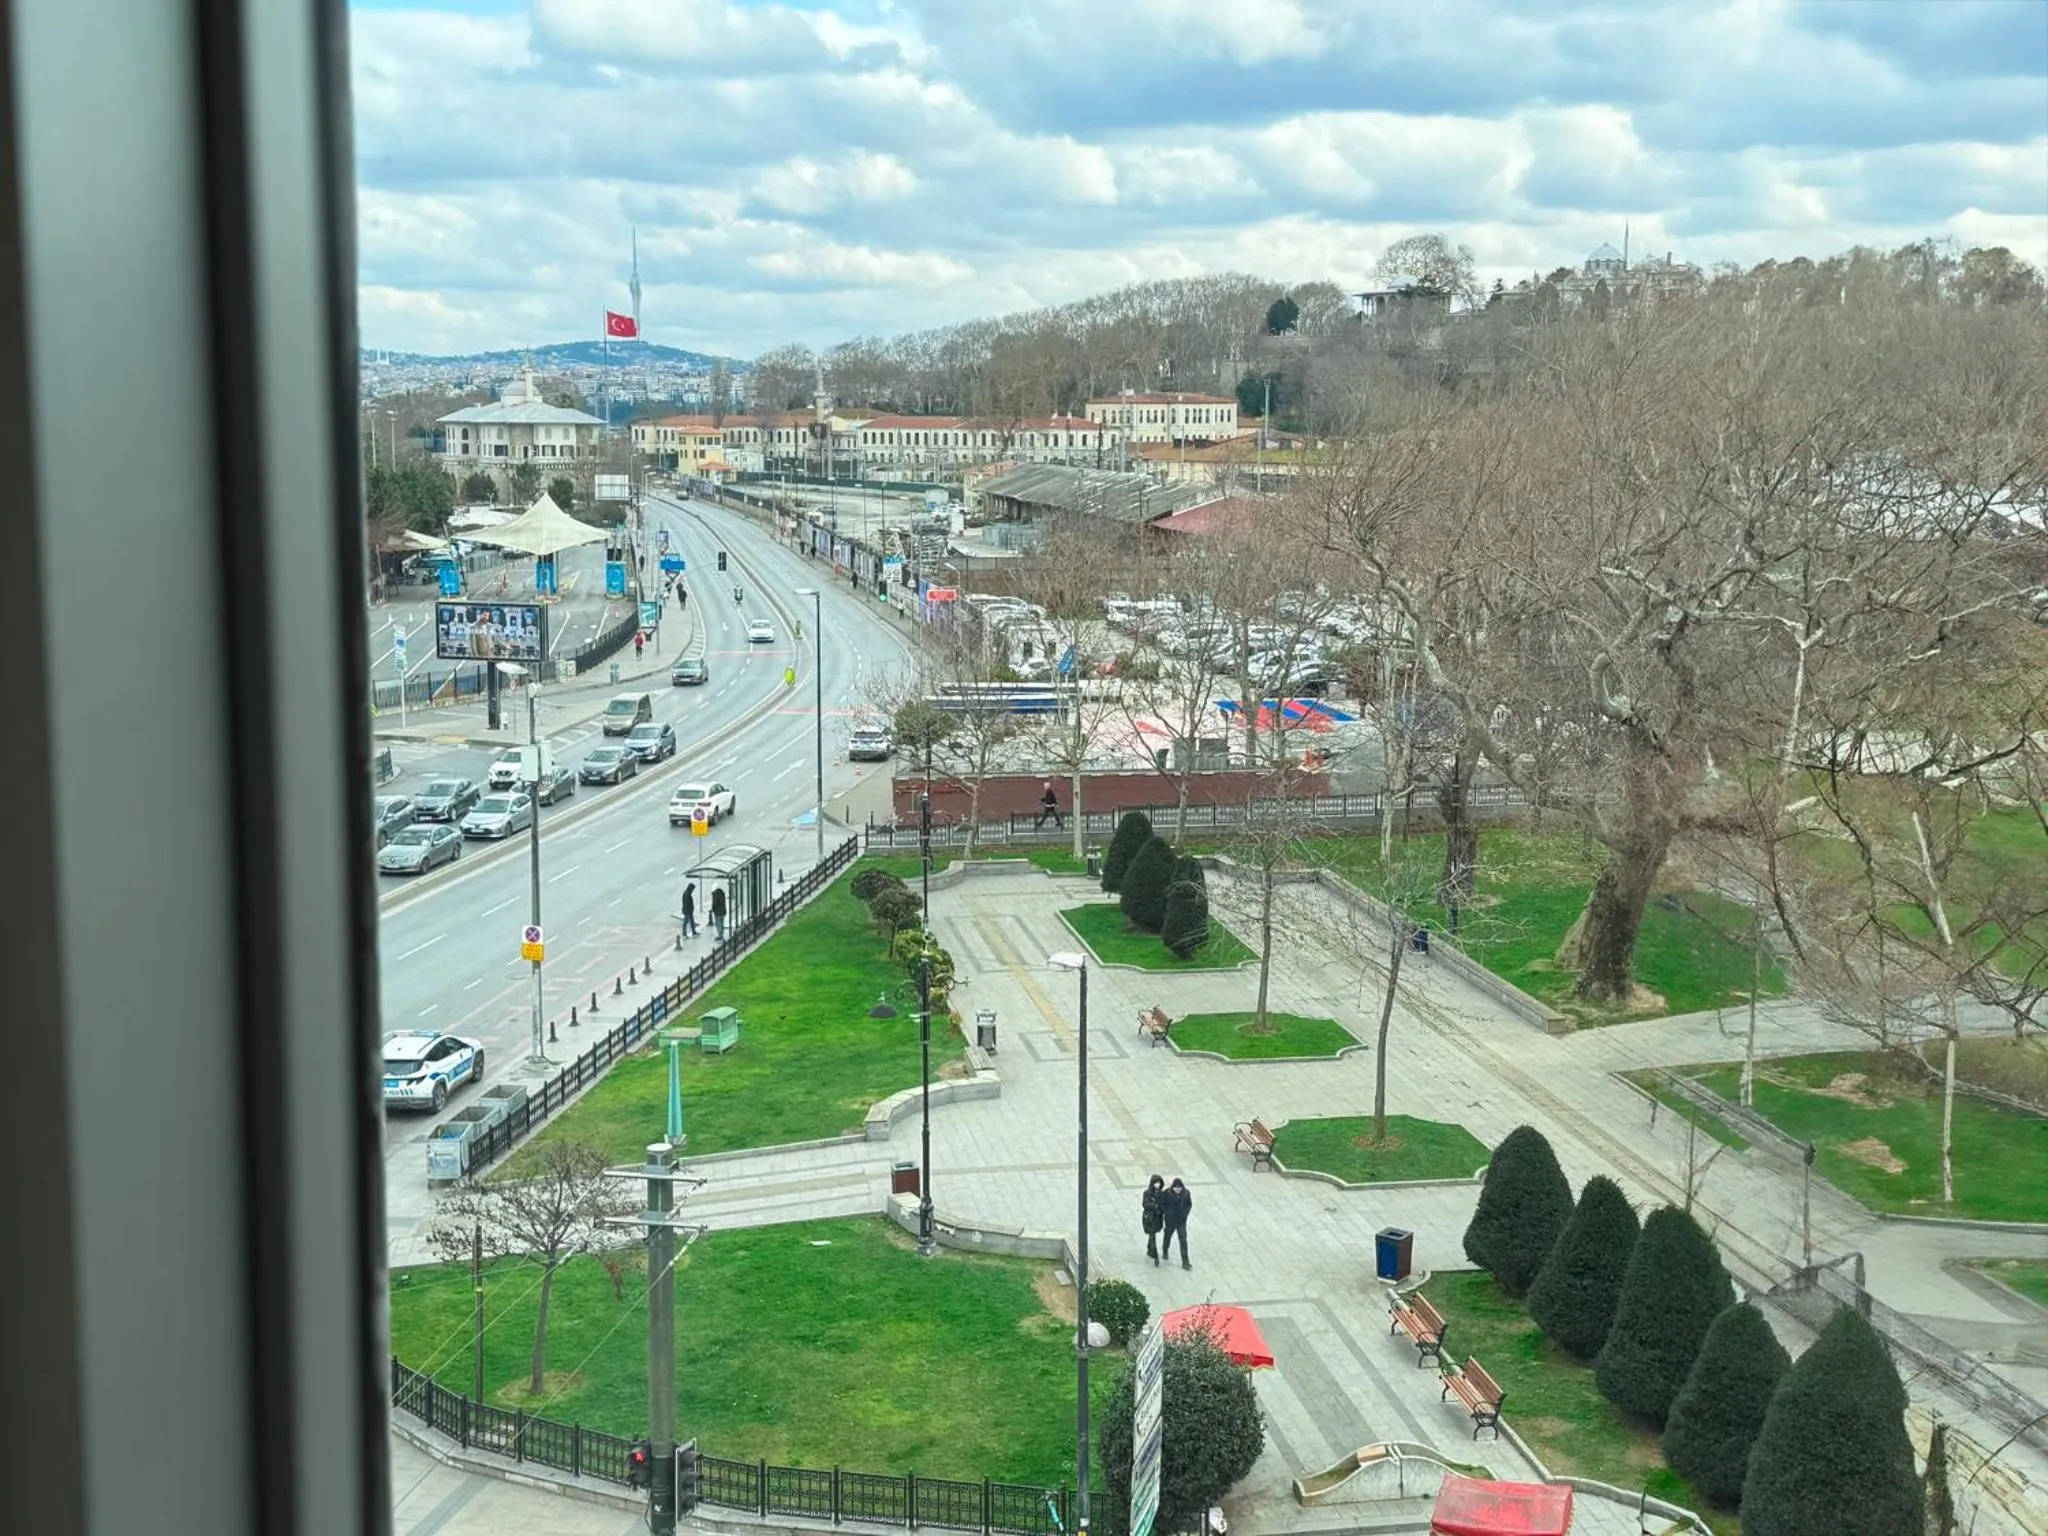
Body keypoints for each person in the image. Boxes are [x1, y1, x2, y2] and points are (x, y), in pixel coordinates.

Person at [1159, 1177, 1193, 1269]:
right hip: (1170, 1221)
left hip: (1181, 1221)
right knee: (1167, 1236)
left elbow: (1189, 1205)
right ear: (1172, 1187)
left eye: (1179, 1188)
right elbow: (1162, 1204)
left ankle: (1185, 1261)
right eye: (1176, 1187)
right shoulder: (1167, 1193)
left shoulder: (1186, 1194)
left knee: (1183, 1241)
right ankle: (1165, 1250)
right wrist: (1167, 1212)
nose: (1177, 1189)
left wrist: (1185, 1214)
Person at [1140, 1174, 1166, 1266]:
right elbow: (1145, 1204)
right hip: (1150, 1218)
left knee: (1152, 1234)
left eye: (1159, 1183)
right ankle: (1155, 1255)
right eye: (1156, 1183)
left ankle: (1150, 1249)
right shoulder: (1147, 1193)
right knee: (1152, 1235)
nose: (1157, 1184)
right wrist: (1154, 1206)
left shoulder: (1161, 1193)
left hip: (1157, 1218)